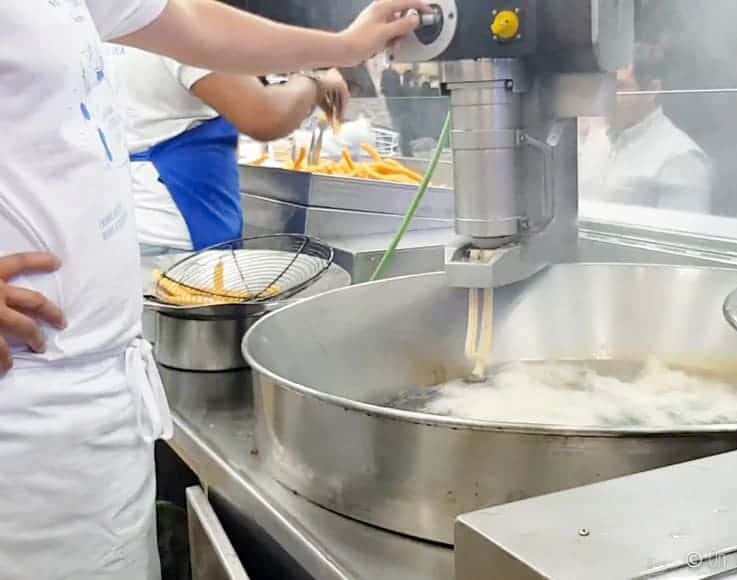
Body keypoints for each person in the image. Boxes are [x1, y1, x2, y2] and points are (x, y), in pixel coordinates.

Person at [0, 1, 426, 579]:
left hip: (104, 403)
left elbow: (194, 25)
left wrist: (346, 46)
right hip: (23, 405)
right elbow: (261, 113)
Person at [117, 46, 349, 255]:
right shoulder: (179, 20)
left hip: (125, 225)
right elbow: (265, 116)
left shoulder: (110, 19)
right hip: (178, 232)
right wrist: (314, 80)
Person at [580, 44, 713, 214]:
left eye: (618, 87)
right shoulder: (593, 134)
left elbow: (678, 238)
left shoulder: (682, 159)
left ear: (652, 90)